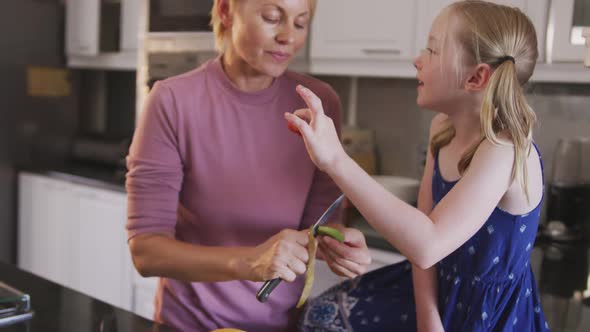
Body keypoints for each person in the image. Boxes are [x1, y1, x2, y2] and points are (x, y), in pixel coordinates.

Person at [285, 1, 550, 331]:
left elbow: (428, 243)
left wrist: (336, 159)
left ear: (476, 76)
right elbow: (422, 233)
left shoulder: (504, 151)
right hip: (432, 289)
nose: (417, 59)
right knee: (322, 314)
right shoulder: (442, 127)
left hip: (489, 315)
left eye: (433, 50)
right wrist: (428, 317)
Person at [124, 0, 371, 331]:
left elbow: (318, 226)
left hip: (283, 325)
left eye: (300, 23)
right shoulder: (172, 101)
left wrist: (338, 243)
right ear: (226, 12)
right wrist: (250, 262)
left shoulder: (319, 104)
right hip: (189, 325)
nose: (288, 36)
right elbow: (146, 252)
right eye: (272, 18)